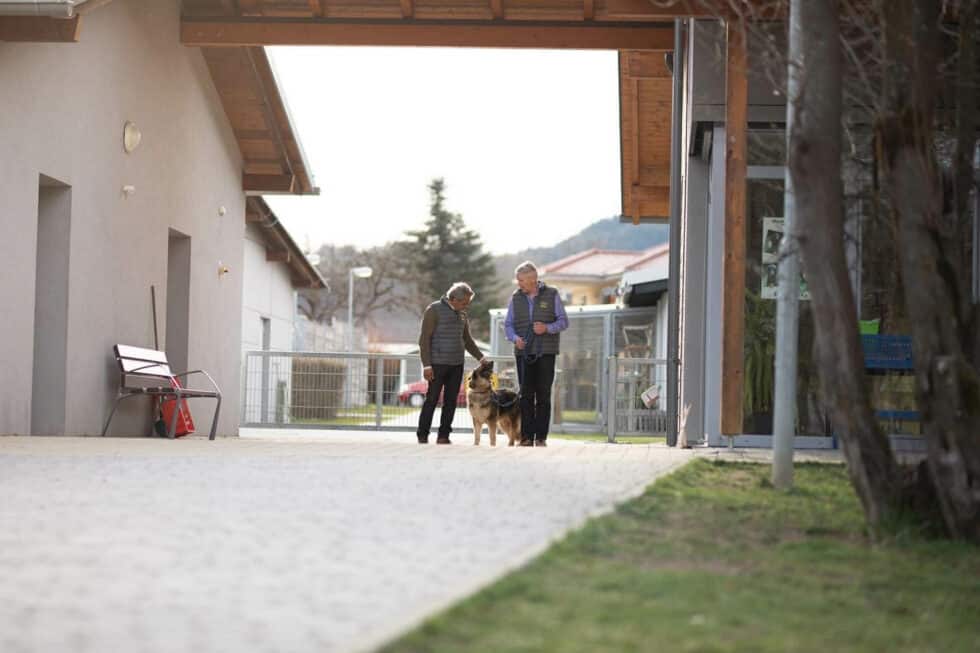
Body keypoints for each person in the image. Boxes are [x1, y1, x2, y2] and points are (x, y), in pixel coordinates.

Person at [504, 261, 568, 447]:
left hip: (546, 352)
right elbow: (508, 324)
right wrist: (515, 338)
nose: (518, 284)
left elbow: (563, 321)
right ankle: (526, 437)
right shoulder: (515, 298)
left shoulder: (552, 294)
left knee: (543, 395)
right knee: (525, 395)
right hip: (523, 353)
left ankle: (541, 437)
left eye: (521, 280)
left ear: (533, 279)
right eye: (518, 280)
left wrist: (547, 328)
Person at [416, 282, 488, 444]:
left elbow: (467, 340)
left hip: (456, 364)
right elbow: (424, 339)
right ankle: (422, 434)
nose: (466, 306)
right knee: (432, 399)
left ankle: (444, 435)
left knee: (451, 401)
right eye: (464, 303)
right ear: (454, 299)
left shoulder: (462, 314)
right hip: (437, 364)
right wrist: (426, 365)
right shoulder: (433, 310)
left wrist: (480, 357)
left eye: (468, 303)